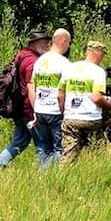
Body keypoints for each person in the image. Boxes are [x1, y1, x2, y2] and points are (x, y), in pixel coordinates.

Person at [0, 28, 49, 170]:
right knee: (42, 144)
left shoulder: (21, 55)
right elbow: (31, 86)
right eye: (45, 43)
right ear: (37, 43)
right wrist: (37, 111)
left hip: (18, 107)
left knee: (19, 142)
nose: (47, 46)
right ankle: (44, 177)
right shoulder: (32, 62)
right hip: (29, 109)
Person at [59, 40, 111, 161]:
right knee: (99, 153)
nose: (103, 57)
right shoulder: (98, 71)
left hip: (71, 118)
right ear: (98, 53)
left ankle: (61, 178)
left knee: (68, 155)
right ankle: (96, 173)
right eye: (103, 54)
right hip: (91, 119)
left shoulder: (70, 68)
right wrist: (109, 104)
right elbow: (96, 97)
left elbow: (60, 95)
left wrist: (64, 112)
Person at [30, 28, 71, 167]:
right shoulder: (64, 63)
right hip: (55, 111)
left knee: (45, 149)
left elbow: (32, 86)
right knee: (60, 150)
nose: (69, 46)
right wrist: (64, 112)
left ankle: (42, 178)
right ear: (63, 41)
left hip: (40, 110)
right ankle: (44, 176)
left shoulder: (40, 61)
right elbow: (61, 93)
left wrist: (35, 109)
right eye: (69, 42)